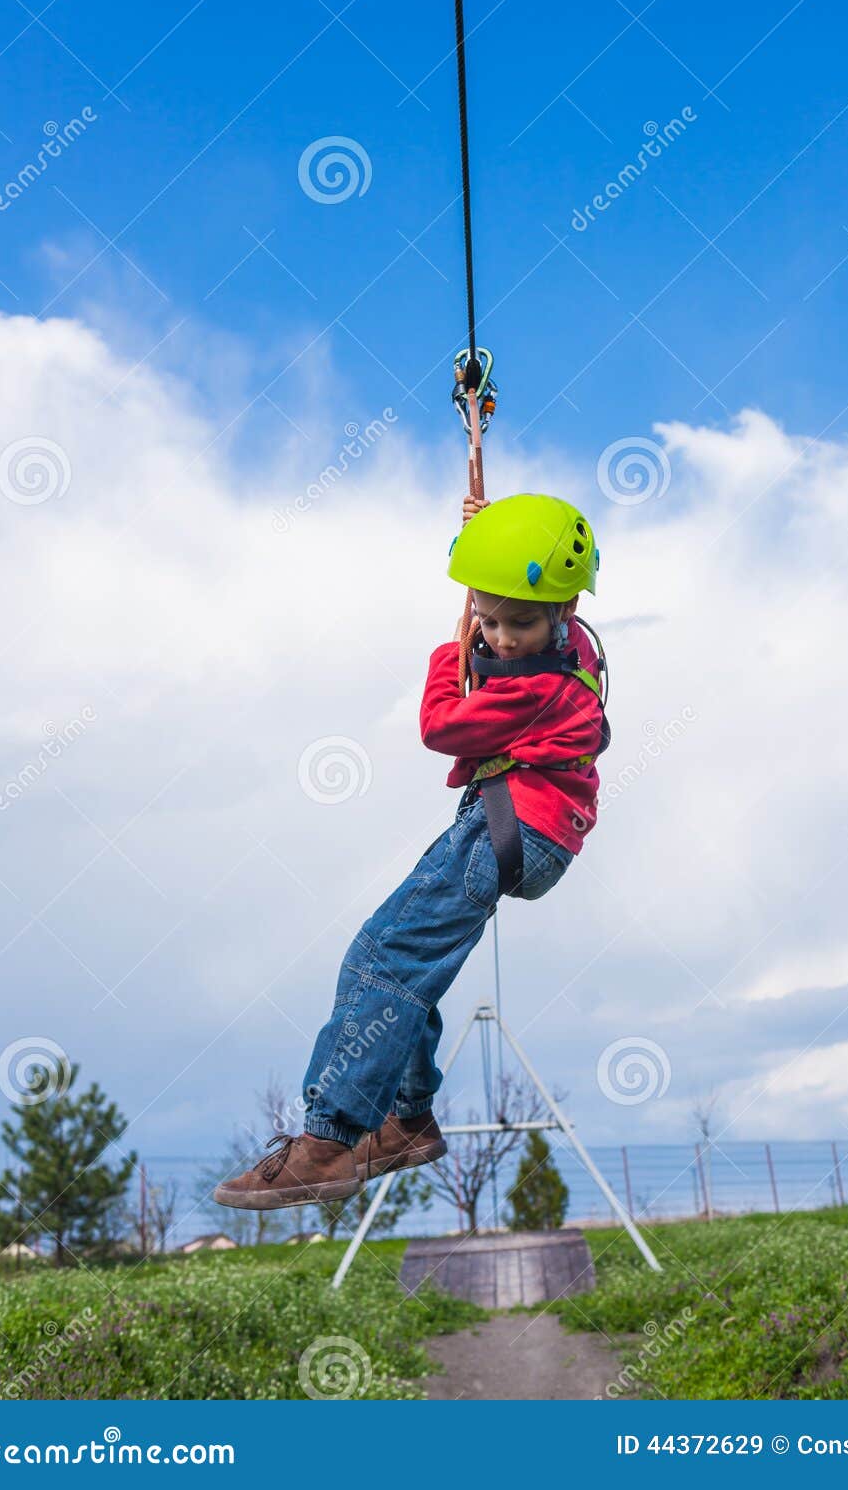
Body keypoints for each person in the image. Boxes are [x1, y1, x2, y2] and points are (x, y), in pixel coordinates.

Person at [214, 492, 607, 1208]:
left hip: (510, 824)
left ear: (564, 608)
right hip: (526, 828)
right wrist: (487, 537)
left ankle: (328, 1143)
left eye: (518, 623)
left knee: (380, 961)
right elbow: (516, 589)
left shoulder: (535, 688)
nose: (500, 637)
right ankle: (407, 1121)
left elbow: (440, 724)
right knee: (405, 966)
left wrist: (449, 649)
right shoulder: (570, 645)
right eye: (486, 617)